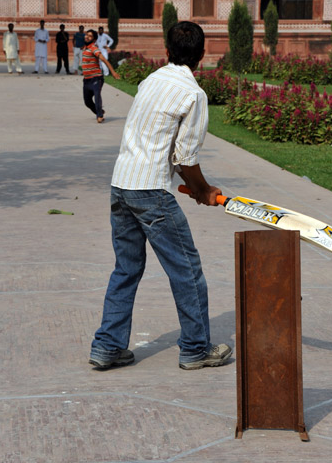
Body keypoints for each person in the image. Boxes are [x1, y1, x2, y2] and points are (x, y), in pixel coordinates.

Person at [89, 21, 232, 371]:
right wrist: (203, 190)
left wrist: (198, 187)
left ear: (167, 52)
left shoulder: (151, 80)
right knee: (187, 270)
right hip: (151, 191)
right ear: (201, 56)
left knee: (126, 268)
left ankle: (107, 347)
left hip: (121, 185)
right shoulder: (193, 94)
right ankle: (196, 348)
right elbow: (185, 157)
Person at [82, 29, 120, 123]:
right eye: (87, 35)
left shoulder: (94, 49)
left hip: (96, 78)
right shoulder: (85, 48)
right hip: (87, 80)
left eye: (90, 36)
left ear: (94, 40)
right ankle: (99, 111)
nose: (87, 36)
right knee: (87, 102)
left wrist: (113, 72)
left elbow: (104, 60)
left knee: (97, 96)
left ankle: (100, 115)